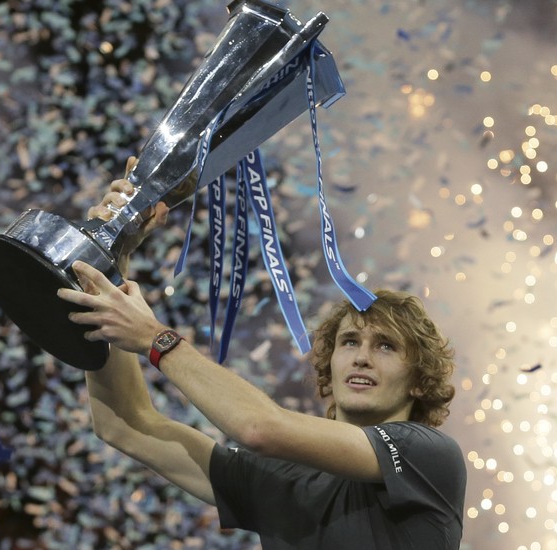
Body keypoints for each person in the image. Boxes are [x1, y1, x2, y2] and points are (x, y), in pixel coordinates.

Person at [56, 160, 467, 549]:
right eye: (349, 342)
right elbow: (124, 424)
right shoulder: (284, 479)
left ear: (418, 380)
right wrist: (109, 266)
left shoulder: (427, 456)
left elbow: (260, 429)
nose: (361, 357)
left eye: (386, 346)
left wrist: (154, 337)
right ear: (329, 365)